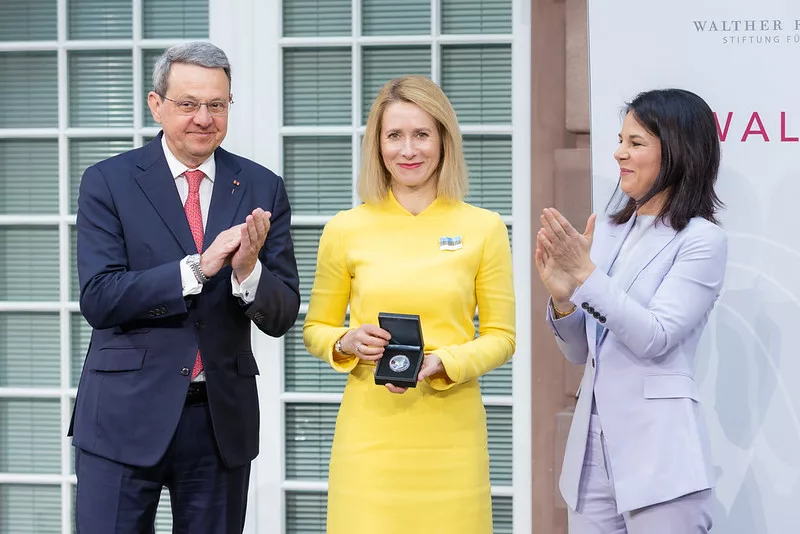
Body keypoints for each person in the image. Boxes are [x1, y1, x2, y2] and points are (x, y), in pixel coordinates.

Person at [69, 42, 300, 533]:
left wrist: (247, 273)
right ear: (156, 105)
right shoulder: (108, 181)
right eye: (188, 103)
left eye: (217, 104)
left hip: (219, 423)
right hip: (123, 417)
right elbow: (100, 298)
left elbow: (281, 315)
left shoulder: (262, 186)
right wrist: (198, 268)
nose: (204, 118)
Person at [303, 75, 516, 534]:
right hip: (369, 441)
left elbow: (502, 337)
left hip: (453, 438)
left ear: (443, 139)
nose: (408, 150)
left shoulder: (485, 228)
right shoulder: (344, 229)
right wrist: (346, 341)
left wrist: (447, 362)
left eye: (421, 134)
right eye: (394, 136)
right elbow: (315, 328)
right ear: (377, 145)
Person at [536, 88, 726, 533]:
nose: (619, 153)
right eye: (621, 140)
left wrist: (586, 275)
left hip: (660, 457)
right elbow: (581, 352)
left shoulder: (702, 240)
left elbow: (655, 336)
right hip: (589, 455)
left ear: (676, 152)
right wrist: (563, 300)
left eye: (635, 142)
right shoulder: (606, 230)